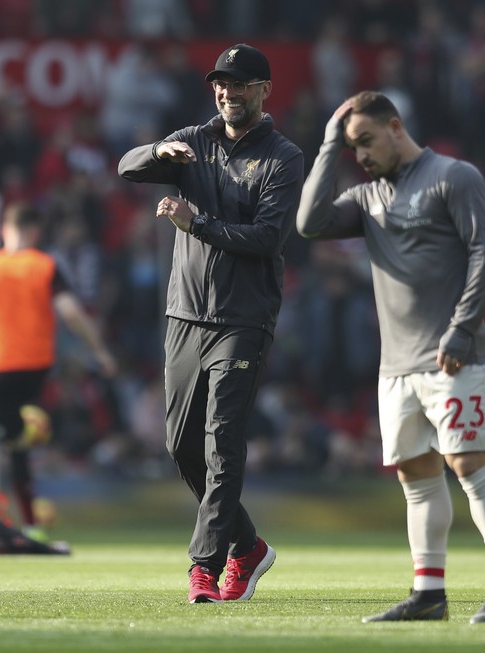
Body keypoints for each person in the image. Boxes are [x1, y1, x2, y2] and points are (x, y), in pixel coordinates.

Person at [296, 91, 485, 623]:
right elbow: (308, 223)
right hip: (396, 367)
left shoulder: (454, 176)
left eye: (365, 142)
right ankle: (428, 594)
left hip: (454, 356)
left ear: (395, 127)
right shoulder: (369, 195)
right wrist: (329, 143)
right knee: (417, 479)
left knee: (470, 466)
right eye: (353, 148)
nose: (362, 156)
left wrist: (462, 330)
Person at [118, 43, 304, 603]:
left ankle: (207, 564)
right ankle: (248, 546)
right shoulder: (192, 142)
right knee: (180, 446)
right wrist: (157, 151)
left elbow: (269, 239)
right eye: (221, 83)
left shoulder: (283, 157)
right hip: (185, 315)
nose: (227, 92)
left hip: (243, 318)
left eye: (240, 83)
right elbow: (126, 168)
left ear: (263, 91)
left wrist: (196, 223)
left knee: (222, 440)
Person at [0, 202, 117, 536]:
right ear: (35, 231)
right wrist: (98, 349)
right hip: (36, 363)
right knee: (17, 442)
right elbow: (69, 311)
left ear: (3, 230)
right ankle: (30, 521)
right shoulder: (44, 266)